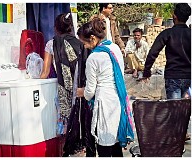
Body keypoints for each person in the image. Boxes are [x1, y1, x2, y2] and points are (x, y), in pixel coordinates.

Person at [76, 18, 134, 157]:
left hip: (104, 104)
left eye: (84, 42)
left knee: (105, 146)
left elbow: (90, 92)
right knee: (115, 144)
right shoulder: (114, 48)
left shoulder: (94, 58)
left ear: (93, 38)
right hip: (117, 101)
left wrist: (81, 92)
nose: (84, 46)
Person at [40, 13, 95, 157]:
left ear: (55, 28)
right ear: (71, 27)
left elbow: (45, 72)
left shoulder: (51, 44)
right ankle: (80, 147)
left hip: (64, 89)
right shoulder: (81, 43)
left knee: (65, 122)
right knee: (80, 119)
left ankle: (66, 151)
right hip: (81, 90)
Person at [141, 3, 191, 142]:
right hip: (188, 77)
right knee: (183, 106)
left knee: (174, 107)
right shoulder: (190, 34)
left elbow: (153, 53)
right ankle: (183, 132)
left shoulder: (167, 33)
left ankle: (176, 138)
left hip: (173, 77)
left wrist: (146, 72)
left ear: (174, 16)